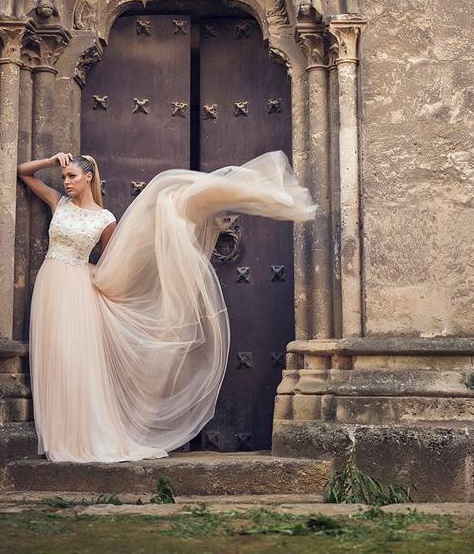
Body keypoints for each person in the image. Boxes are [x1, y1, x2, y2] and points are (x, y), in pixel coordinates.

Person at [16, 150, 316, 462]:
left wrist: (91, 271)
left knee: (74, 361)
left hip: (78, 290)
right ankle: (59, 435)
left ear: (88, 177)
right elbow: (23, 172)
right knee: (53, 358)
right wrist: (52, 162)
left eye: (72, 177)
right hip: (50, 286)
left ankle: (82, 438)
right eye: (64, 178)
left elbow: (111, 263)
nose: (66, 183)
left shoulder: (105, 220)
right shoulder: (58, 203)